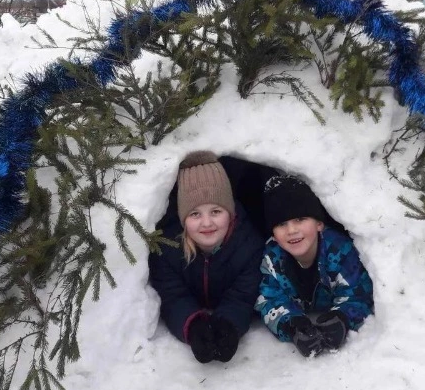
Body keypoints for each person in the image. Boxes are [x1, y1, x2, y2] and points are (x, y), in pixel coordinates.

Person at [148, 151, 264, 363]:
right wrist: (192, 325)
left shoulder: (249, 245)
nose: (207, 223)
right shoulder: (168, 248)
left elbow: (243, 296)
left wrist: (229, 324)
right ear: (183, 219)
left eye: (216, 211)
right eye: (195, 214)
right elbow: (172, 296)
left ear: (231, 212)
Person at [255, 175, 374, 357]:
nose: (292, 230)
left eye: (300, 219)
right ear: (273, 232)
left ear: (319, 223)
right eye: (281, 224)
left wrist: (341, 319)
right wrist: (292, 325)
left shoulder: (339, 251)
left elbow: (357, 293)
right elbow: (269, 298)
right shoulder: (273, 257)